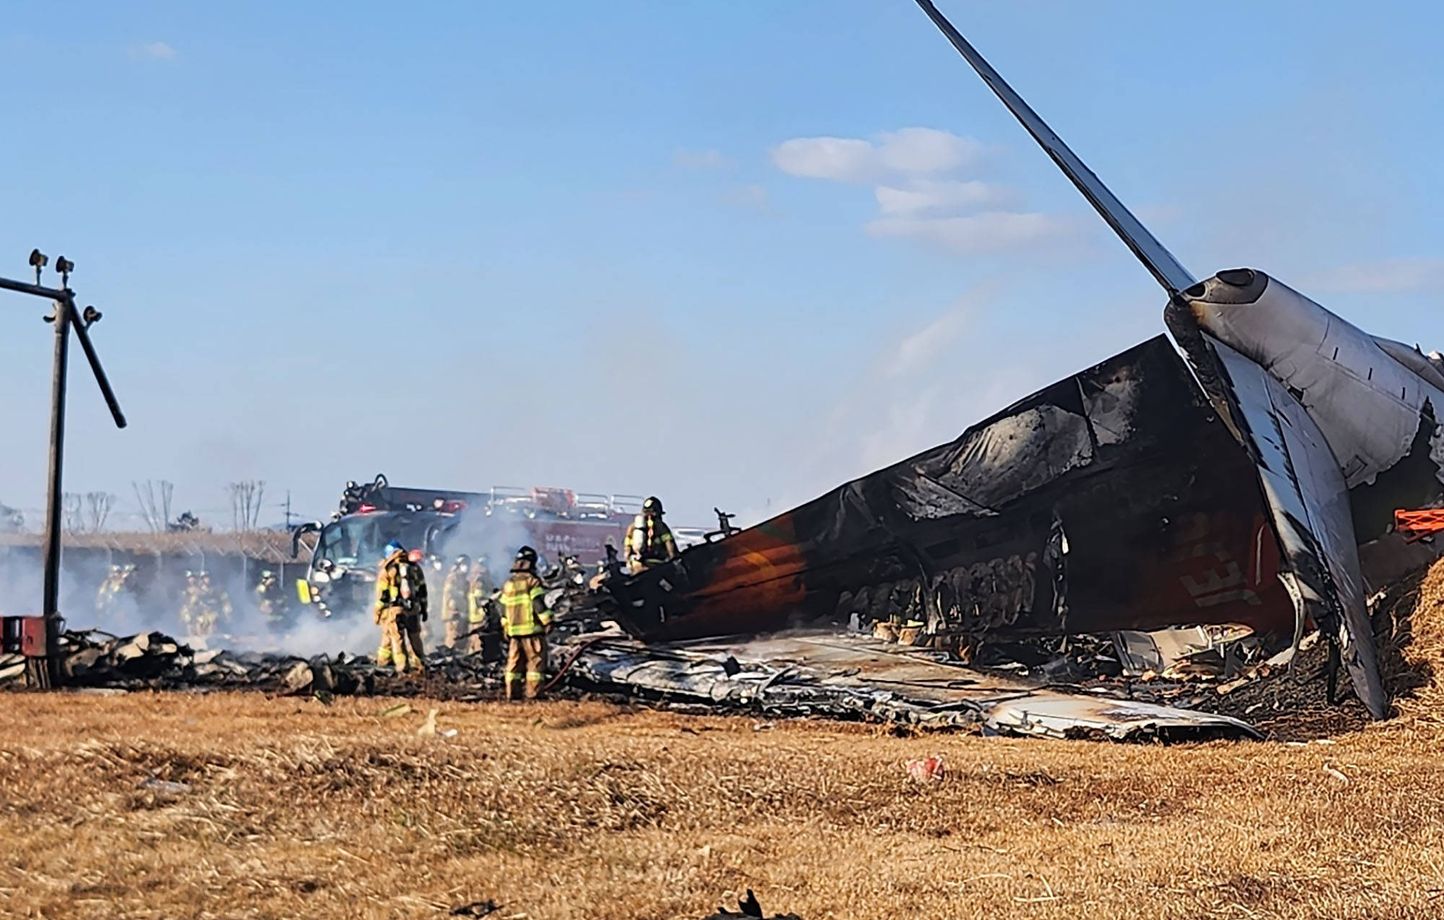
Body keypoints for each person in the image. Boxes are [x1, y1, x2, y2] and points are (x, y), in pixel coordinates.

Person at [499, 545, 552, 700]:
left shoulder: (508, 583)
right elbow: (538, 604)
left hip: (514, 633)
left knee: (513, 665)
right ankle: (533, 695)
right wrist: (548, 620)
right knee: (535, 664)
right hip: (532, 632)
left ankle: (512, 694)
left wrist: (505, 626)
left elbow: (502, 607)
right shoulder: (532, 582)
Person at [375, 541, 425, 674]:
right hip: (413, 609)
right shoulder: (415, 568)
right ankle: (420, 663)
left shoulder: (388, 569)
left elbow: (382, 595)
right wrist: (424, 608)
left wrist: (377, 612)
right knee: (415, 637)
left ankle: (403, 667)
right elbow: (422, 590)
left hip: (395, 610)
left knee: (397, 639)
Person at [624, 496, 679, 574]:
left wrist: (629, 561)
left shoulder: (632, 527)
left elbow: (627, 549)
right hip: (656, 567)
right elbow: (671, 547)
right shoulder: (661, 527)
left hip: (636, 565)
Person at [181, 570, 232, 641]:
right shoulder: (196, 591)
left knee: (213, 624)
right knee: (195, 624)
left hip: (211, 613)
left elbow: (224, 599)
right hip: (200, 614)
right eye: (205, 578)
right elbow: (192, 604)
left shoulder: (215, 590)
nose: (208, 579)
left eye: (208, 577)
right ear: (202, 580)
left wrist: (226, 610)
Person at [440, 554, 471, 649]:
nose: (467, 567)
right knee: (453, 637)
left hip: (459, 614)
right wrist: (458, 609)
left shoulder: (463, 578)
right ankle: (449, 659)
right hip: (453, 614)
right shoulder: (453, 578)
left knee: (461, 639)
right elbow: (450, 594)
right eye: (464, 564)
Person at [465, 555, 494, 654]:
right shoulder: (480, 579)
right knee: (479, 646)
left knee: (473, 644)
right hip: (479, 617)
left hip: (474, 617)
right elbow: (480, 598)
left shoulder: (474, 577)